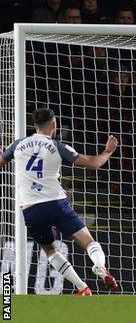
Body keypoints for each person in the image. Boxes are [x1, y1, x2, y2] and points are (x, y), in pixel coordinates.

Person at [0, 108, 119, 295]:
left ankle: (82, 288)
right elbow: (94, 163)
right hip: (56, 203)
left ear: (34, 126)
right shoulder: (57, 146)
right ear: (54, 125)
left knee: (50, 250)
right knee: (88, 242)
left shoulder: (17, 145)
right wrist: (107, 151)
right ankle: (99, 266)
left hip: (30, 209)